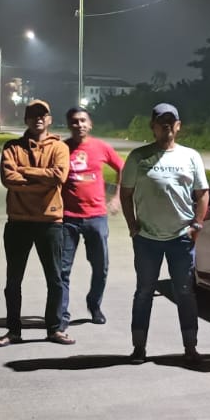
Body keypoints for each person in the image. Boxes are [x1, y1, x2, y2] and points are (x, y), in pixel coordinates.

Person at [119, 102, 208, 364]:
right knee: (144, 292)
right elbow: (125, 193)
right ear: (153, 126)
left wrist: (197, 224)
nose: (166, 125)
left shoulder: (190, 156)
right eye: (161, 121)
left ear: (178, 126)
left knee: (185, 293)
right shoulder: (138, 157)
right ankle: (139, 347)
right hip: (147, 238)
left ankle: (190, 347)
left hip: (181, 237)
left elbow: (202, 193)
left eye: (171, 121)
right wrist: (132, 224)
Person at [0, 99, 72, 346]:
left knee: (55, 279)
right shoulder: (12, 147)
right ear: (26, 119)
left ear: (49, 119)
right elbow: (8, 179)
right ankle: (13, 331)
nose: (38, 118)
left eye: (43, 115)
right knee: (13, 280)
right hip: (18, 221)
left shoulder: (59, 147)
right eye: (33, 115)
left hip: (50, 221)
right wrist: (42, 181)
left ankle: (54, 329)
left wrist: (25, 171)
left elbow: (59, 176)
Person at [59, 107, 125, 326]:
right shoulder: (62, 148)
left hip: (96, 217)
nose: (79, 125)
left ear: (90, 124)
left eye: (83, 120)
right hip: (68, 218)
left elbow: (122, 168)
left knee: (101, 266)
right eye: (74, 121)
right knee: (62, 269)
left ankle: (94, 304)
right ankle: (62, 314)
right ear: (69, 125)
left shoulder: (101, 147)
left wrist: (117, 198)